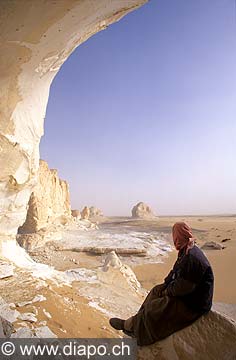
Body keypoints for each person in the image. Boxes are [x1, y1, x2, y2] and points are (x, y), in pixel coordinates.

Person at [109, 222, 214, 346]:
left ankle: (134, 329)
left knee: (156, 307)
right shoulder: (186, 250)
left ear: (179, 236)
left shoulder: (193, 257)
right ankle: (135, 323)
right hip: (188, 294)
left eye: (175, 236)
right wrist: (165, 285)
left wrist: (167, 291)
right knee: (155, 291)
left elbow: (184, 288)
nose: (174, 239)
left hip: (194, 303)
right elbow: (175, 271)